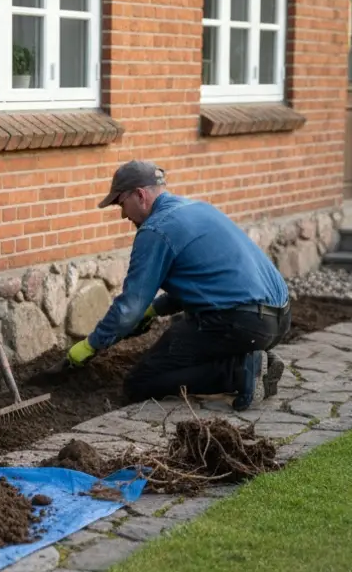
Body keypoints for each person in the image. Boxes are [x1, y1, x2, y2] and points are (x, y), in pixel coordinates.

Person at [63, 159, 291, 410]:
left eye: (121, 203)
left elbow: (130, 309)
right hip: (278, 320)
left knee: (141, 382)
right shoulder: (198, 209)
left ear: (139, 195)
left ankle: (237, 371)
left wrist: (90, 345)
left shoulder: (156, 230)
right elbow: (205, 284)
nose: (123, 214)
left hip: (241, 324)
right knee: (183, 337)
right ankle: (256, 360)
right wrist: (155, 310)